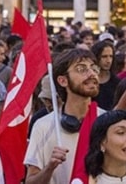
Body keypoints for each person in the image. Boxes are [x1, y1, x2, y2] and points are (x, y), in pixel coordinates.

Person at [24, 48, 101, 184]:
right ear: (63, 81)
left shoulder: (108, 122)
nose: (91, 74)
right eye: (81, 69)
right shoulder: (43, 126)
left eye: (94, 68)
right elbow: (30, 181)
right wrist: (50, 167)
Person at [93, 40, 120, 111]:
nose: (108, 61)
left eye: (111, 56)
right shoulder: (89, 80)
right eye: (104, 56)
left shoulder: (116, 82)